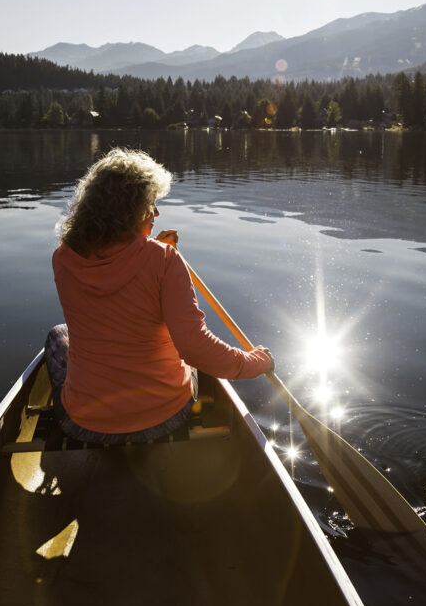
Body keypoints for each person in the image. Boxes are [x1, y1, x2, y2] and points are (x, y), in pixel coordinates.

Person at [47, 148, 274, 444]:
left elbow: (112, 284)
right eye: (150, 204)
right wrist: (257, 362)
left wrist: (149, 248)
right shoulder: (164, 260)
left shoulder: (63, 258)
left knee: (57, 336)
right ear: (129, 211)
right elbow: (194, 347)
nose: (156, 213)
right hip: (165, 418)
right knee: (186, 351)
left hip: (84, 424)